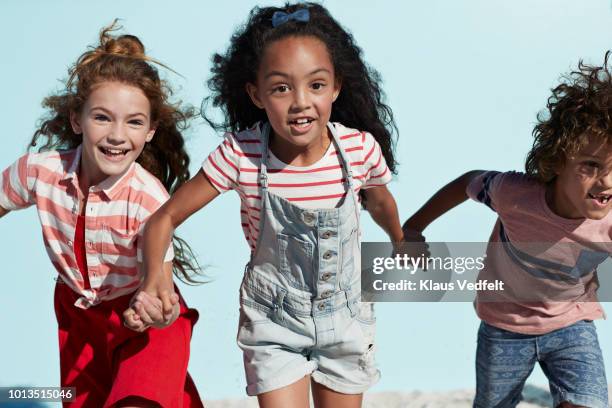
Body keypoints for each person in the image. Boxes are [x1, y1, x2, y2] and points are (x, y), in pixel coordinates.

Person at [132, 3, 404, 407]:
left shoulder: (359, 149)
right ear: (256, 94)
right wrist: (154, 277)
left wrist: (400, 240)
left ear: (336, 87)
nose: (300, 102)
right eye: (281, 88)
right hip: (274, 322)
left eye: (315, 85)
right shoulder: (242, 155)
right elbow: (165, 218)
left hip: (346, 320)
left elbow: (379, 202)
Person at [0, 22, 203, 408]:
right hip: (79, 319)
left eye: (134, 122)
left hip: (147, 324)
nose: (116, 135)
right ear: (77, 120)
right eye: (102, 118)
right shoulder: (39, 172)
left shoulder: (148, 200)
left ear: (150, 132)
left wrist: (154, 307)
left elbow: (160, 288)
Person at [403, 53, 612, 408]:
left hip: (571, 326)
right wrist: (413, 228)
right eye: (590, 166)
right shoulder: (515, 195)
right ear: (558, 160)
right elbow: (467, 183)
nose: (605, 181)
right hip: (503, 326)